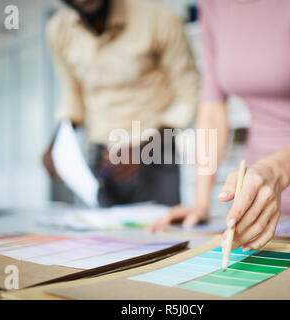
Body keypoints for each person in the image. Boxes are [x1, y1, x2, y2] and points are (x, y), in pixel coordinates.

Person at [149, 0, 290, 251]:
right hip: (256, 201)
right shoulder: (211, 4)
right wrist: (201, 203)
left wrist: (273, 174)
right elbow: (212, 109)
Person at [42, 0, 199, 207]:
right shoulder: (58, 31)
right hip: (100, 158)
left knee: (161, 235)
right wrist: (57, 145)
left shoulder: (158, 18)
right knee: (102, 236)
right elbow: (72, 96)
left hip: (156, 151)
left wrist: (146, 150)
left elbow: (188, 93)